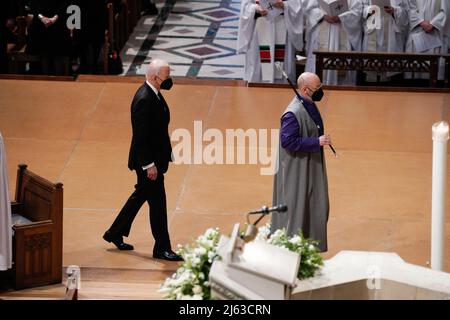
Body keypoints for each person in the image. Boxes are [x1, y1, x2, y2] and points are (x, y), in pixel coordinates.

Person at [103, 59, 182, 262]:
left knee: (140, 196)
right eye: (167, 76)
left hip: (153, 159)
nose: (169, 80)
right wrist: (149, 165)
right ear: (156, 78)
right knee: (158, 205)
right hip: (147, 163)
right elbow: (140, 137)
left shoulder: (154, 93)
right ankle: (162, 248)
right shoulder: (144, 99)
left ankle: (114, 232)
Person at [272, 72, 331, 252]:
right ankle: (290, 250)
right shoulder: (293, 113)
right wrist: (316, 142)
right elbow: (287, 141)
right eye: (318, 88)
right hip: (296, 169)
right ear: (305, 90)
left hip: (309, 163)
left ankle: (308, 245)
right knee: (296, 208)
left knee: (316, 205)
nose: (321, 91)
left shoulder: (309, 103)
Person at [237, 0, 304, 83]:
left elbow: (297, 6)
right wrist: (256, 8)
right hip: (260, 27)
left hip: (283, 25)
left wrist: (284, 5)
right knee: (258, 68)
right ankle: (256, 93)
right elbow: (246, 7)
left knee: (283, 69)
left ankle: (283, 93)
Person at [303, 0, 362, 85]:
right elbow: (309, 7)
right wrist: (323, 15)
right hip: (322, 27)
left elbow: (357, 11)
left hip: (342, 30)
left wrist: (342, 17)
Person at [360, 0, 410, 82]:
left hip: (391, 33)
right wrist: (369, 10)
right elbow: (361, 11)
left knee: (392, 73)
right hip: (373, 29)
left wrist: (395, 11)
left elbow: (406, 13)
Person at [405, 0, 447, 80]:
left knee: (434, 71)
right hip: (417, 30)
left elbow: (446, 10)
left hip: (436, 32)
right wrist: (420, 21)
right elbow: (410, 8)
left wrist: (434, 23)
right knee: (416, 67)